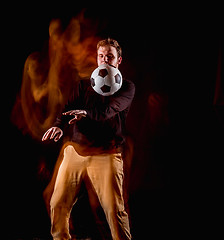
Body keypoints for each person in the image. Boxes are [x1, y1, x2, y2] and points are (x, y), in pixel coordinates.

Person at [42, 38, 135, 240]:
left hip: (107, 154)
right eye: (101, 56)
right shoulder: (83, 85)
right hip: (75, 151)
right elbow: (66, 109)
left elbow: (108, 110)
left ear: (119, 60)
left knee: (114, 211)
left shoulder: (126, 88)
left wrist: (86, 113)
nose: (105, 60)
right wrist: (59, 126)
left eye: (109, 56)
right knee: (57, 205)